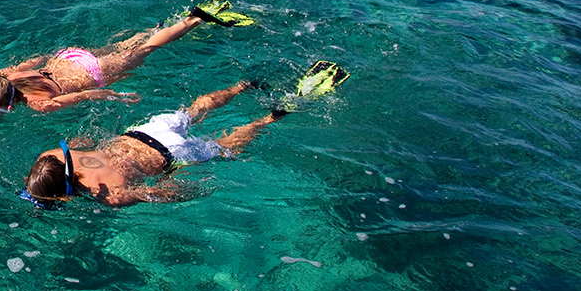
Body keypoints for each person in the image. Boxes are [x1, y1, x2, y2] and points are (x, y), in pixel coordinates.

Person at [20, 61, 350, 209]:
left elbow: (161, 193)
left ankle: (272, 116)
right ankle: (243, 85)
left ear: (62, 195)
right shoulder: (52, 155)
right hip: (143, 132)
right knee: (193, 110)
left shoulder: (110, 198)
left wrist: (191, 189)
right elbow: (83, 142)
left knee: (224, 147)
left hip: (170, 156)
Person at [0, 0, 255, 115]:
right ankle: (156, 27)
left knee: (146, 51)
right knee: (126, 48)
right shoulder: (4, 75)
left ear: (10, 106)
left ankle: (194, 19)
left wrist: (118, 96)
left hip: (91, 73)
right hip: (69, 58)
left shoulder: (40, 105)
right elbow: (36, 59)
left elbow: (84, 96)